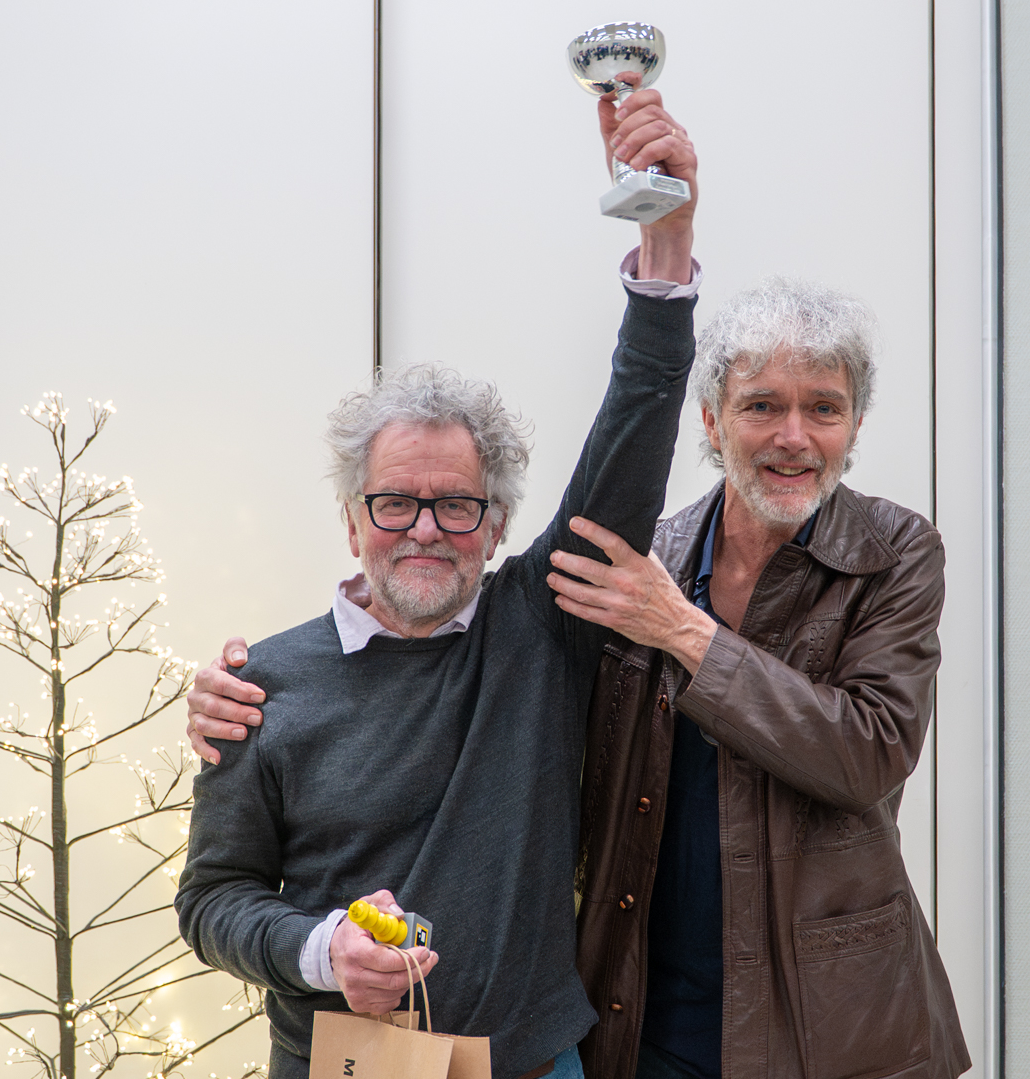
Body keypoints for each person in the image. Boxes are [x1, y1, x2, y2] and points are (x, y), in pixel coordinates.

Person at [176, 89, 701, 1079]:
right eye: (395, 503)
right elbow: (211, 902)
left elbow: (630, 438)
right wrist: (322, 950)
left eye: (456, 505)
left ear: (496, 526)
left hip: (532, 1062)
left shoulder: (540, 628)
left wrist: (665, 248)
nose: (424, 529)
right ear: (351, 519)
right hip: (343, 1065)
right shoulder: (260, 687)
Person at [543, 278, 971, 1079]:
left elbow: (868, 752)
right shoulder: (654, 561)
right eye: (763, 406)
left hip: (832, 1033)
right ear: (712, 419)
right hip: (645, 1021)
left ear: (855, 425)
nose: (793, 437)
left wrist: (684, 631)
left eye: (824, 408)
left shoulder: (895, 553)